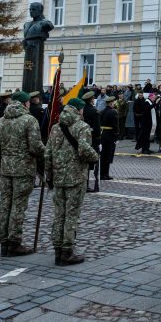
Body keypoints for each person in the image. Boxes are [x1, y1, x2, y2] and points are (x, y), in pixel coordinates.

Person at [44, 98, 99, 265]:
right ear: (79, 110)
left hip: (58, 177)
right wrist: (95, 156)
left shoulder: (55, 127)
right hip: (76, 177)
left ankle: (57, 249)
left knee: (59, 214)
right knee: (71, 215)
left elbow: (48, 154)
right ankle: (67, 251)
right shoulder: (82, 127)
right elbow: (84, 149)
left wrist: (49, 176)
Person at [0, 91, 46, 257]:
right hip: (23, 170)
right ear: (25, 103)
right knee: (18, 206)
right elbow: (35, 147)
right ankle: (14, 241)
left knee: (5, 204)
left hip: (6, 170)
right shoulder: (29, 120)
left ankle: (3, 241)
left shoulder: (1, 121)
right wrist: (46, 156)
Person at [99, 99, 118, 180]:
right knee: (108, 155)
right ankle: (105, 174)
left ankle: (101, 173)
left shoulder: (101, 111)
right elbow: (115, 125)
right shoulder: (113, 112)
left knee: (102, 155)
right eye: (113, 103)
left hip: (102, 133)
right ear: (111, 103)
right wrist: (116, 136)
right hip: (109, 134)